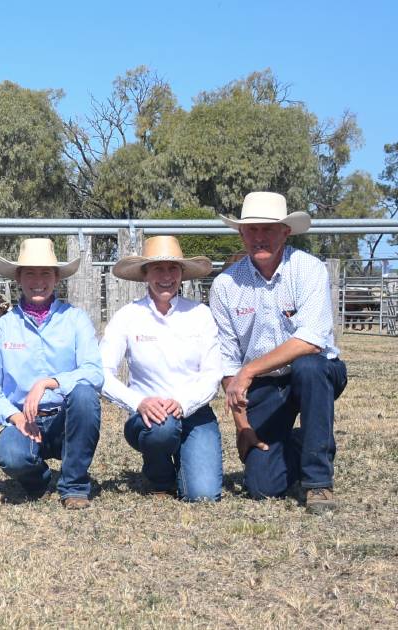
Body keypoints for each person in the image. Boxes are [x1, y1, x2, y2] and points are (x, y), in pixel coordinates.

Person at [210, 192, 348, 514]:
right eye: (252, 230)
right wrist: (242, 425)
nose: (260, 237)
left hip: (317, 371)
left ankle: (318, 483)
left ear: (285, 232)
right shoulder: (225, 285)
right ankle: (307, 441)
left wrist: (249, 370)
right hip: (266, 385)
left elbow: (311, 341)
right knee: (263, 486)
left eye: (268, 229)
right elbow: (229, 364)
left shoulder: (308, 269)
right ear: (241, 233)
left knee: (309, 368)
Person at [100, 236, 223, 501]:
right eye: (158, 268)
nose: (166, 276)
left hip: (195, 411)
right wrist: (139, 402)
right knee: (162, 428)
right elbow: (102, 372)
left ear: (182, 274)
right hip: (148, 417)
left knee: (203, 495)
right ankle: (160, 477)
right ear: (145, 275)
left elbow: (212, 374)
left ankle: (185, 458)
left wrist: (182, 403)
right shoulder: (128, 316)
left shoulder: (200, 314)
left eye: (172, 268)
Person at [0, 238, 104, 510]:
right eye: (30, 273)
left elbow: (94, 373)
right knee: (13, 457)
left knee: (85, 395)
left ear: (57, 277)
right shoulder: (1, 330)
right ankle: (38, 480)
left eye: (45, 273)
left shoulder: (76, 319)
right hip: (23, 419)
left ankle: (74, 485)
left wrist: (50, 383)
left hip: (66, 417)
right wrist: (15, 417)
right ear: (18, 277)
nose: (38, 280)